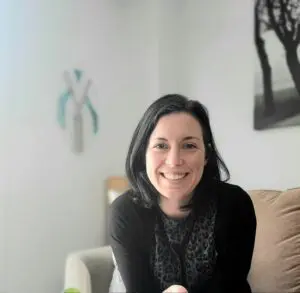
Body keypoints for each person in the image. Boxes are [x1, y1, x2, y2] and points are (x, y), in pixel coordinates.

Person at [108, 94, 257, 293]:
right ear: (144, 154)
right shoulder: (125, 212)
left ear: (206, 155)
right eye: (161, 145)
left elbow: (230, 285)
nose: (174, 161)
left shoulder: (235, 205)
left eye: (189, 145)